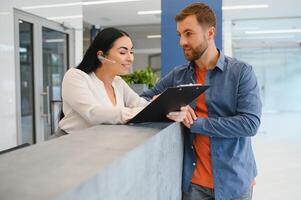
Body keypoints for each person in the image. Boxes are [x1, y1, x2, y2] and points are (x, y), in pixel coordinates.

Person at [141, 3, 262, 200]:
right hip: (193, 183)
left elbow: (250, 124)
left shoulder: (241, 72)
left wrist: (196, 123)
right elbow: (144, 99)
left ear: (210, 32)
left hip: (235, 180)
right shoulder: (178, 76)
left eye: (188, 33)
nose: (182, 41)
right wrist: (168, 104)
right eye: (180, 34)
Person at [58, 27, 188, 134]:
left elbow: (139, 104)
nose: (130, 58)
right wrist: (138, 113)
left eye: (131, 52)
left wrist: (166, 106)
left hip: (99, 145)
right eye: (122, 52)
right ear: (101, 56)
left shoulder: (118, 82)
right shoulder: (75, 76)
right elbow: (93, 114)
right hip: (71, 147)